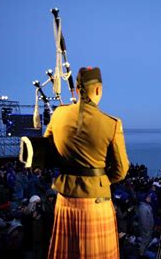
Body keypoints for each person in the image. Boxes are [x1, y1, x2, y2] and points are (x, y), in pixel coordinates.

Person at [45, 67, 129, 259]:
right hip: (95, 201)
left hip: (65, 198)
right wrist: (102, 180)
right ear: (98, 90)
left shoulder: (58, 114)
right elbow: (121, 170)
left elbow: (46, 150)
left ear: (76, 90)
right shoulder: (112, 123)